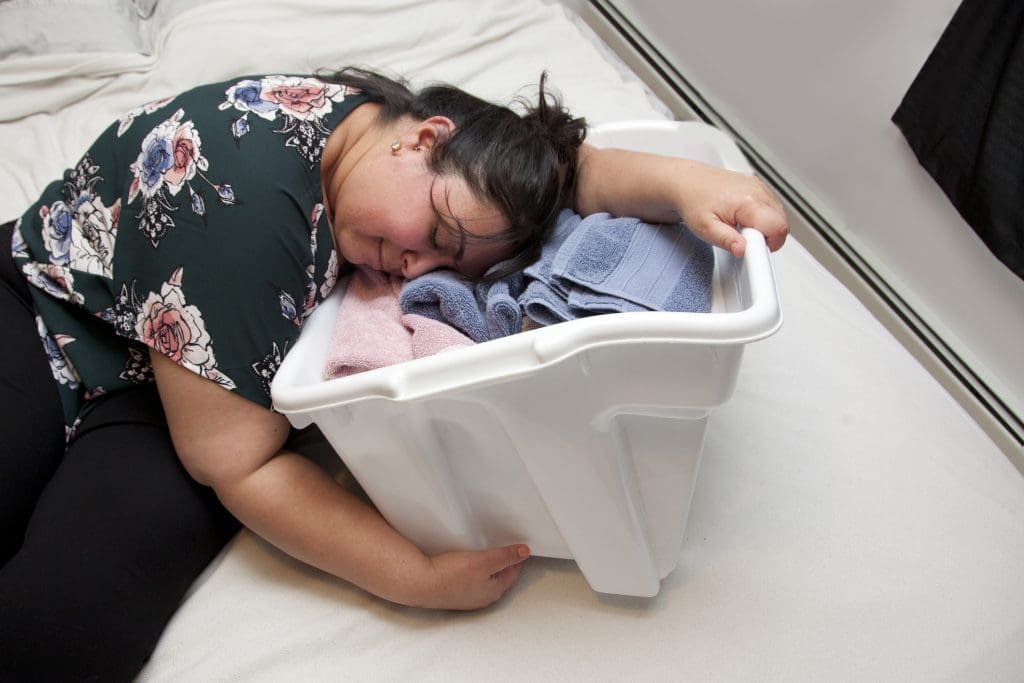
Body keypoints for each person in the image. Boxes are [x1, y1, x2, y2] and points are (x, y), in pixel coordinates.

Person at [0, 67, 787, 679]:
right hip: (44, 313)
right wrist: (408, 574)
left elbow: (549, 171)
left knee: (62, 632)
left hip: (165, 393)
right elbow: (234, 462)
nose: (414, 269)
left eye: (452, 261)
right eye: (435, 233)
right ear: (427, 138)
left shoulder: (395, 140)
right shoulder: (240, 200)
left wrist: (694, 186)